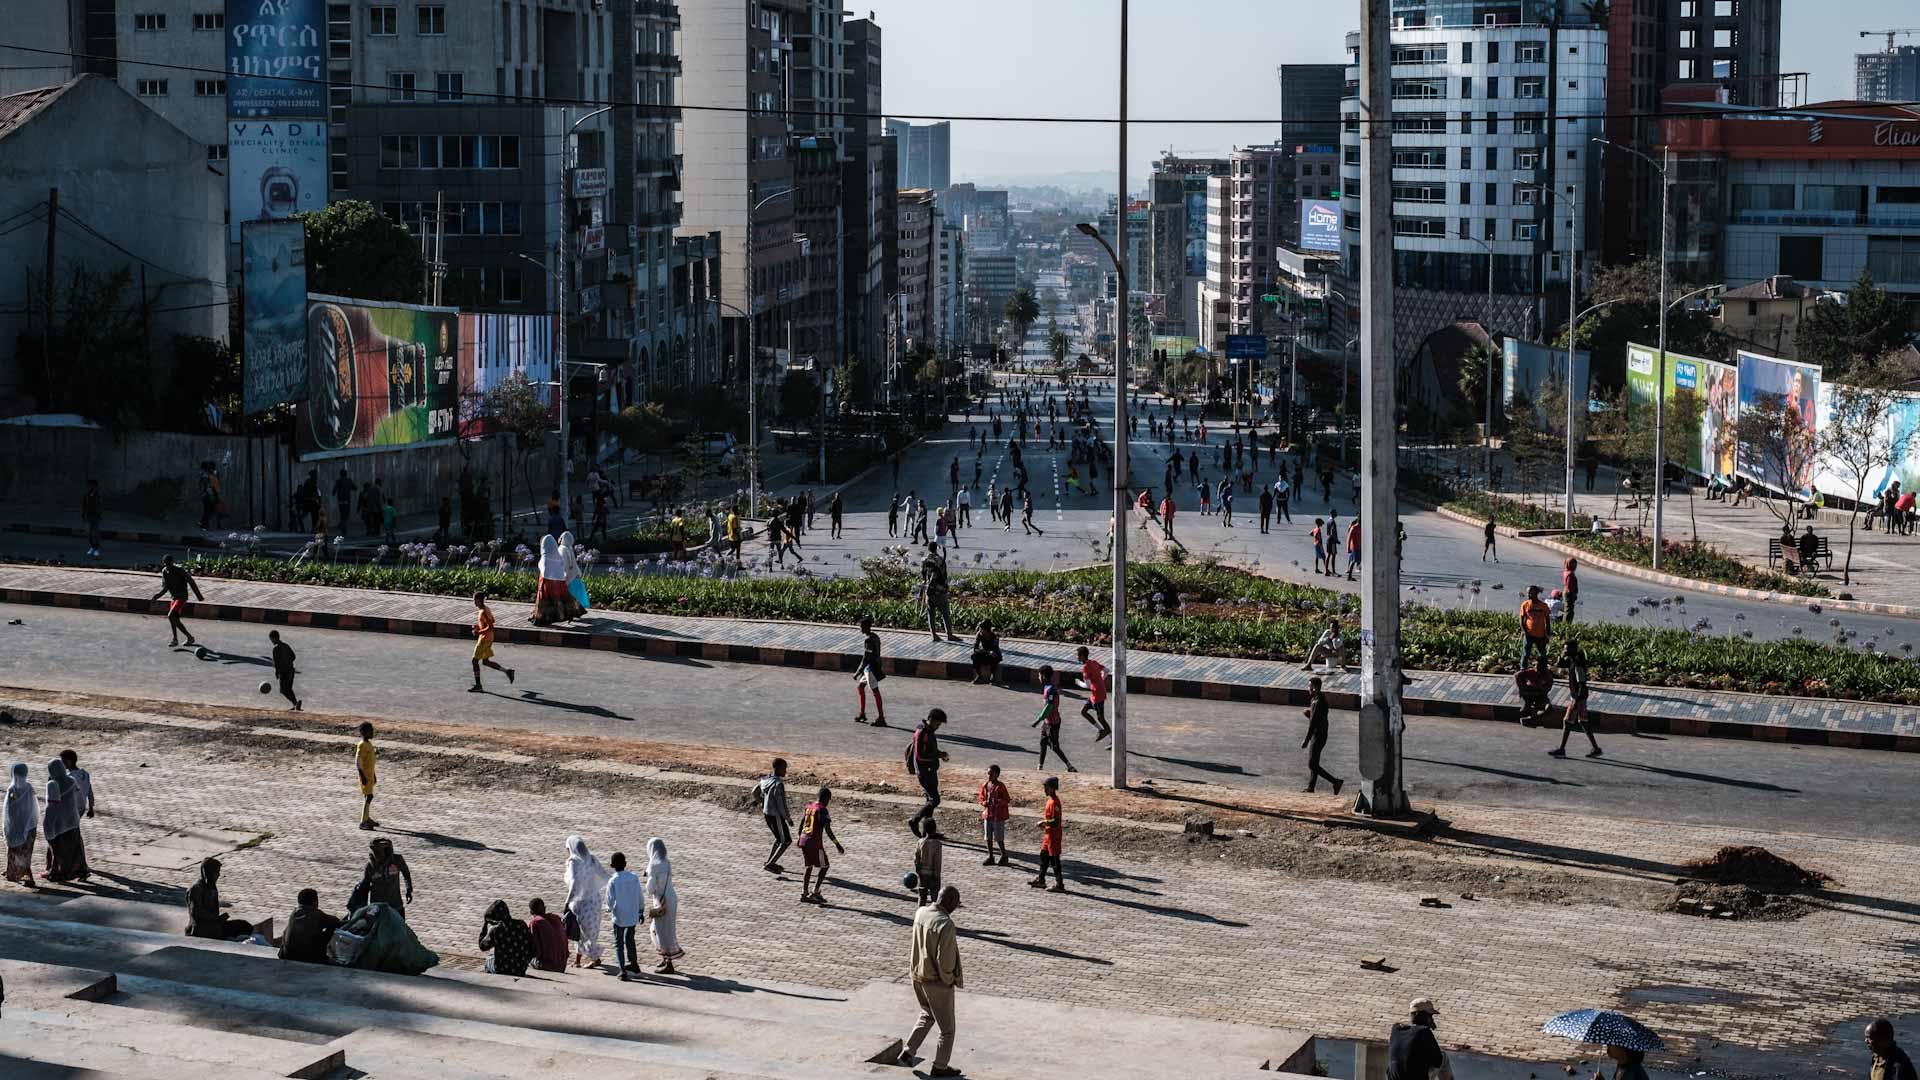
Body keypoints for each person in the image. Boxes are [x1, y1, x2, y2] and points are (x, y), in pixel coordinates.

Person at [898, 885, 965, 1078]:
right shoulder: (946, 924)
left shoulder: (921, 913)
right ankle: (940, 1066)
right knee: (948, 1030)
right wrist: (949, 979)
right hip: (936, 982)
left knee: (927, 1013)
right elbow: (945, 960)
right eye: (955, 904)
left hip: (917, 976)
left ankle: (908, 1052)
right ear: (950, 902)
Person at [564, 836, 612, 969]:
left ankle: (595, 957)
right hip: (594, 900)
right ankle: (579, 960)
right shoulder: (591, 858)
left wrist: (568, 901)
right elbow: (603, 875)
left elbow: (574, 883)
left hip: (581, 902)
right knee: (590, 931)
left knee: (582, 933)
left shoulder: (574, 862)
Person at [185, 857, 260, 941]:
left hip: (214, 925)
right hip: (201, 930)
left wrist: (219, 919)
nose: (219, 875)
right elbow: (195, 912)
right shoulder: (196, 889)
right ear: (208, 873)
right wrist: (216, 918)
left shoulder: (211, 886)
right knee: (239, 930)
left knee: (244, 926)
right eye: (216, 872)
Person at [1550, 642, 1602, 760]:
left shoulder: (1578, 664)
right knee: (1583, 722)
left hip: (1579, 697)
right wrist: (1560, 657)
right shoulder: (1573, 660)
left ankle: (1562, 749)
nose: (1565, 650)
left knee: (1567, 722)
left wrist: (1576, 701)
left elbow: (1581, 683)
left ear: (1573, 650)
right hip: (1579, 697)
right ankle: (1595, 748)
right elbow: (1562, 664)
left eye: (1566, 649)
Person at [796, 786, 845, 904]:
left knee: (808, 866)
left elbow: (801, 825)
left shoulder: (809, 807)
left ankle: (804, 893)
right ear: (825, 798)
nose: (828, 802)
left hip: (803, 840)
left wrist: (800, 837)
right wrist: (837, 844)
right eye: (829, 800)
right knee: (825, 866)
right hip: (815, 843)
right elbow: (828, 829)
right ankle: (815, 891)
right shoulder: (822, 810)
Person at [906, 708, 950, 837]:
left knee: (929, 802)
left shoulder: (928, 730)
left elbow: (928, 749)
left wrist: (939, 754)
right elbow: (920, 755)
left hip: (930, 770)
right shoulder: (922, 732)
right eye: (937, 724)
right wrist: (938, 755)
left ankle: (928, 833)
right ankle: (914, 820)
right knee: (935, 800)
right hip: (925, 771)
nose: (938, 727)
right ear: (931, 720)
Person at [643, 837, 684, 974]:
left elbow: (650, 888)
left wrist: (648, 877)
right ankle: (665, 958)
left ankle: (669, 963)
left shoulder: (653, 865)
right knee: (666, 929)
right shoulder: (667, 862)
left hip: (660, 901)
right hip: (671, 899)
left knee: (660, 931)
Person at [42, 758, 87, 882]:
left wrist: (47, 825)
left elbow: (51, 808)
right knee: (75, 849)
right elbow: (80, 800)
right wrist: (78, 813)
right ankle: (81, 871)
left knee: (58, 850)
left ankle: (58, 873)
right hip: (73, 821)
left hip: (59, 824)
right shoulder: (71, 781)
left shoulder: (52, 784)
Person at [1386, 997, 1453, 1080]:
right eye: (1430, 1016)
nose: (1431, 1019)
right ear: (1420, 1015)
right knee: (1444, 1056)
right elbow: (1437, 1061)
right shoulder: (1423, 1031)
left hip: (1394, 1077)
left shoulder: (1396, 1029)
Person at [1302, 677, 1344, 794]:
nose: (1308, 689)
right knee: (1315, 762)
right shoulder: (1319, 698)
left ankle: (1335, 782)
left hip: (1318, 735)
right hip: (1322, 734)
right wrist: (1309, 714)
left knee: (1312, 763)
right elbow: (1318, 717)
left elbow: (1313, 723)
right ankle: (1311, 787)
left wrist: (1306, 739)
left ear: (1314, 688)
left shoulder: (1317, 702)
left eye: (1309, 686)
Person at [1031, 666, 1077, 773]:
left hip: (1053, 723)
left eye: (1039, 675)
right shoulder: (1047, 687)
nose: (1038, 678)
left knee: (1054, 746)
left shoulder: (1051, 689)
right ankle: (1040, 766)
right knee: (1043, 743)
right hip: (1047, 722)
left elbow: (1049, 707)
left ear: (1043, 676)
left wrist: (1038, 720)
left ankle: (1069, 766)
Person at [604, 852, 643, 980]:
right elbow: (639, 895)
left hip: (619, 916)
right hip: (632, 914)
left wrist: (608, 908)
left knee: (618, 943)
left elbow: (609, 900)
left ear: (612, 865)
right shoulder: (634, 877)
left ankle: (622, 970)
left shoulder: (613, 880)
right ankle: (634, 963)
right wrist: (640, 911)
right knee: (630, 939)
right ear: (625, 864)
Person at [152, 554, 204, 648]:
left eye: (169, 564)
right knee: (174, 620)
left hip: (182, 597)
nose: (168, 566)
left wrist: (199, 596)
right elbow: (166, 587)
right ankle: (187, 638)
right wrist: (157, 596)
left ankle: (176, 639)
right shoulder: (164, 572)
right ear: (164, 564)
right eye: (166, 564)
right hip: (174, 597)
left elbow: (191, 581)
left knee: (171, 615)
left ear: (173, 562)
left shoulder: (179, 570)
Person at [278, 888, 341, 964]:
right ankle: (324, 956)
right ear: (315, 902)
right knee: (332, 928)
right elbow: (335, 921)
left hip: (287, 955)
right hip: (308, 957)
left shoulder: (294, 913)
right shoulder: (316, 914)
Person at [532, 536, 583, 625]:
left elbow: (544, 571)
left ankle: (540, 618)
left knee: (544, 602)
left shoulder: (545, 557)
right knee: (561, 600)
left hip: (546, 584)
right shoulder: (558, 557)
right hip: (559, 584)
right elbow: (561, 570)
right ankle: (568, 613)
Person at [477, 899, 536, 977]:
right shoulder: (521, 924)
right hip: (520, 968)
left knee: (489, 960)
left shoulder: (496, 930)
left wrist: (485, 926)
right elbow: (531, 945)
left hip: (503, 970)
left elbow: (482, 947)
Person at [470, 592, 515, 693]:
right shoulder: (486, 609)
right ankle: (508, 672)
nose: (474, 602)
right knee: (485, 661)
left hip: (484, 639)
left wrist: (478, 632)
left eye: (474, 600)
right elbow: (492, 621)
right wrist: (479, 627)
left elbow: (490, 627)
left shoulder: (483, 612)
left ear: (478, 600)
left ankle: (478, 685)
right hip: (489, 638)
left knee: (474, 660)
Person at [1027, 776, 1066, 892]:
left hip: (1054, 835)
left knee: (1054, 860)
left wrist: (1044, 822)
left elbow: (1056, 821)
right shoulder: (1049, 800)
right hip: (1048, 835)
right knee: (1043, 857)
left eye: (1046, 787)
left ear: (1053, 788)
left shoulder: (1055, 802)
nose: (1044, 790)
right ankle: (1041, 879)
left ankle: (1060, 884)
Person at [360, 836, 413, 919]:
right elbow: (365, 885)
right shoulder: (370, 866)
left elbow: (406, 873)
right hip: (377, 905)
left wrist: (409, 888)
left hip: (395, 903)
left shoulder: (397, 860)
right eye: (374, 852)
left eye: (379, 852)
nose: (377, 855)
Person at [5, 762, 38, 887]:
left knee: (15, 851)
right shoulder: (29, 787)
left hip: (16, 826)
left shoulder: (12, 790)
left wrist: (8, 826)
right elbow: (34, 807)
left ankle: (24, 875)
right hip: (29, 826)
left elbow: (9, 810)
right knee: (26, 853)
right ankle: (17, 872)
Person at [854, 617, 888, 726]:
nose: (860, 629)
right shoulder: (875, 637)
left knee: (875, 692)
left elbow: (866, 658)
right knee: (860, 687)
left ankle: (881, 718)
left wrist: (857, 672)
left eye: (861, 627)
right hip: (872, 667)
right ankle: (862, 713)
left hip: (870, 669)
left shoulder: (868, 640)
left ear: (865, 627)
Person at [922, 545, 959, 643]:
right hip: (940, 591)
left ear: (929, 549)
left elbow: (923, 574)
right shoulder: (940, 559)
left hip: (930, 591)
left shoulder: (925, 560)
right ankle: (949, 634)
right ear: (936, 549)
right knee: (945, 613)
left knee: (931, 614)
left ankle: (933, 635)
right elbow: (944, 574)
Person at [976, 764, 1011, 867]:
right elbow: (981, 797)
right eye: (988, 774)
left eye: (991, 774)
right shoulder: (985, 785)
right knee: (988, 837)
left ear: (997, 775)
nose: (989, 776)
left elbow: (1007, 799)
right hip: (988, 815)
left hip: (998, 816)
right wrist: (983, 803)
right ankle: (991, 856)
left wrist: (998, 802)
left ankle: (1004, 855)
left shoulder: (1001, 786)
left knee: (999, 838)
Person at [1075, 645, 1112, 741]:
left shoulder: (1085, 668)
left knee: (1101, 718)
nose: (1077, 657)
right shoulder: (1093, 662)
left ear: (1083, 656)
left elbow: (1087, 685)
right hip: (1096, 694)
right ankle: (1101, 730)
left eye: (1078, 655)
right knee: (1083, 711)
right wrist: (1101, 681)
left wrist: (1079, 683)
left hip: (1097, 696)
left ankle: (1111, 738)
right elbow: (1107, 670)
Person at [525, 897, 568, 973]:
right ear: (544, 908)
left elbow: (537, 949)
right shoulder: (556, 918)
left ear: (531, 912)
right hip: (562, 965)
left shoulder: (535, 922)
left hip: (547, 965)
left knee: (526, 959)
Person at [912, 819, 944, 906]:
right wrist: (936, 875)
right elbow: (937, 862)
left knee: (922, 897)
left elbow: (916, 858)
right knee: (934, 899)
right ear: (935, 829)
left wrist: (918, 871)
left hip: (922, 874)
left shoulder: (920, 842)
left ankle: (919, 915)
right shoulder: (937, 845)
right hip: (933, 875)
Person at [1520, 585, 1552, 670]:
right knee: (1525, 653)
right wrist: (1525, 632)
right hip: (1529, 634)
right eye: (1528, 593)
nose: (1529, 595)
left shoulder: (1543, 605)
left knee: (1542, 654)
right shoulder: (1525, 605)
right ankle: (1523, 670)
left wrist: (1547, 634)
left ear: (1536, 593)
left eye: (1531, 593)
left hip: (1541, 635)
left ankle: (1543, 670)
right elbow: (1522, 620)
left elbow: (1548, 621)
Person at [355, 721, 380, 829]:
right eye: (370, 731)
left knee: (368, 796)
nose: (372, 732)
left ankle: (367, 818)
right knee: (369, 796)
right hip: (365, 776)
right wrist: (363, 776)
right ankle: (363, 822)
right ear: (363, 733)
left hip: (369, 775)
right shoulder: (361, 745)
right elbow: (358, 761)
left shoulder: (368, 744)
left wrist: (373, 775)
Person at [268, 630, 301, 711]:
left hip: (284, 672)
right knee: (288, 689)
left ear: (274, 638)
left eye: (271, 639)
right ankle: (296, 704)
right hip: (291, 670)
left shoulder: (275, 649)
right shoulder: (286, 645)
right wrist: (289, 662)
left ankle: (295, 703)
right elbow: (293, 656)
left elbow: (276, 662)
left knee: (283, 690)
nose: (271, 641)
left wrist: (277, 672)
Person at [560, 530, 590, 615]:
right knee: (577, 596)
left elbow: (564, 565)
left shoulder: (562, 549)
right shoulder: (569, 548)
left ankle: (570, 612)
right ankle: (576, 611)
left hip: (568, 577)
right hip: (575, 575)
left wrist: (563, 577)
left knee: (570, 596)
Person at [56, 750, 93, 820]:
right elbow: (89, 791)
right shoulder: (84, 773)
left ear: (69, 761)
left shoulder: (69, 777)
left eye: (63, 761)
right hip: (81, 808)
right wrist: (91, 808)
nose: (61, 764)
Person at [970, 620, 1002, 685]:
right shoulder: (979, 634)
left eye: (981, 629)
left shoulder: (994, 636)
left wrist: (990, 652)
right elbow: (975, 648)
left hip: (993, 655)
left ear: (986, 630)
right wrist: (986, 651)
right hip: (985, 652)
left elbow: (994, 650)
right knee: (974, 656)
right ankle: (979, 676)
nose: (980, 630)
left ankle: (993, 677)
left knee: (994, 657)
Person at [81, 478, 103, 557]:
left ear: (95, 486)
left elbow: (100, 506)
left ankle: (96, 549)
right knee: (88, 533)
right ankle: (92, 547)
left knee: (95, 533)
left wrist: (99, 514)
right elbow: (84, 505)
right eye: (89, 485)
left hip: (96, 517)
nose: (90, 486)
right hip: (88, 516)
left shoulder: (98, 494)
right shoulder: (86, 494)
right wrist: (83, 514)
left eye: (92, 485)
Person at [333, 468, 356, 537]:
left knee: (342, 514)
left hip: (340, 500)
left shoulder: (338, 481)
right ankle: (342, 527)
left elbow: (334, 490)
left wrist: (334, 493)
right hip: (347, 500)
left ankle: (342, 526)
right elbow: (354, 487)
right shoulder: (348, 480)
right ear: (346, 474)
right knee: (346, 514)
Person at [1561, 557, 1581, 623]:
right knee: (1569, 611)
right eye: (1573, 564)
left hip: (1567, 592)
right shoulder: (1570, 574)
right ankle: (1566, 624)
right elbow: (1569, 585)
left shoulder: (1566, 572)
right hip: (1569, 593)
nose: (1575, 566)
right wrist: (1573, 594)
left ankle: (1566, 623)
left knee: (1568, 609)